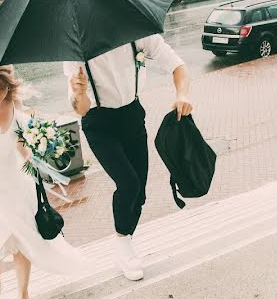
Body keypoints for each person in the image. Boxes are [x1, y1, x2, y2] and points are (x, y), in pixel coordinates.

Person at [0, 56, 93, 299]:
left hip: (13, 182)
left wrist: (34, 155)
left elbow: (19, 141)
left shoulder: (14, 106)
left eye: (2, 89)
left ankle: (23, 295)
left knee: (21, 238)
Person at [64, 36, 192, 281]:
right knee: (128, 183)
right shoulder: (76, 48)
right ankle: (123, 245)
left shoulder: (136, 32)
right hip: (98, 122)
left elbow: (178, 66)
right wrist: (78, 92)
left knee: (139, 193)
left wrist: (182, 94)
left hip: (132, 115)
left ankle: (126, 238)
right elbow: (80, 108)